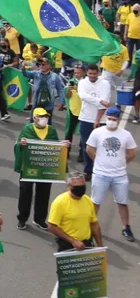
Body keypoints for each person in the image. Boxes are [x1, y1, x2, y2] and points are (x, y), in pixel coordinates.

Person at [85, 106, 136, 241]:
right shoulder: (97, 132)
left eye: (114, 119)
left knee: (122, 202)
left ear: (118, 120)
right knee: (95, 202)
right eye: (109, 119)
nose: (111, 121)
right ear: (105, 118)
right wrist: (98, 160)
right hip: (100, 174)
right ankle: (90, 226)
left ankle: (126, 227)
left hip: (120, 175)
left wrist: (122, 162)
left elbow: (132, 152)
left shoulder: (126, 135)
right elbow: (89, 148)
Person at [14, 108, 68, 230]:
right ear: (34, 118)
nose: (44, 119)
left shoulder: (52, 130)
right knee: (25, 194)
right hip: (28, 168)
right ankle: (22, 218)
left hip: (45, 169)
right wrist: (20, 144)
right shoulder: (27, 129)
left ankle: (40, 219)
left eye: (46, 116)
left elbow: (55, 146)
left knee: (43, 194)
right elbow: (18, 144)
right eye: (41, 116)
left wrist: (62, 144)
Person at [47, 172, 102, 251]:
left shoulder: (87, 200)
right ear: (69, 186)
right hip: (67, 245)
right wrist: (73, 241)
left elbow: (94, 224)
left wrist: (100, 245)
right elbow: (51, 226)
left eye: (82, 186)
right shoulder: (60, 202)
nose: (80, 188)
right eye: (77, 186)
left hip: (86, 244)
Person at [76, 63, 110, 176]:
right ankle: (88, 170)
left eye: (94, 73)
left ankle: (100, 170)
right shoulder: (82, 82)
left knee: (101, 147)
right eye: (90, 73)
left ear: (98, 73)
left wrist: (97, 120)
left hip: (101, 120)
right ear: (86, 73)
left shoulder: (105, 83)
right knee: (87, 147)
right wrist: (99, 100)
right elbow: (83, 96)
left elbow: (105, 103)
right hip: (85, 118)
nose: (92, 76)